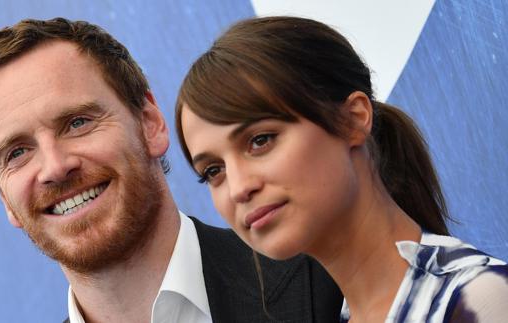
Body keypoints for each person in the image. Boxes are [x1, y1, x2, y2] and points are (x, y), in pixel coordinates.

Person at [0, 17, 342, 323]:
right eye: (17, 153)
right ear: (4, 200)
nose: (55, 168)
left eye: (77, 123)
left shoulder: (323, 280)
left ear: (150, 123)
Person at [175, 16, 508, 322]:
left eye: (261, 140)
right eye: (213, 171)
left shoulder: (479, 301)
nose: (238, 188)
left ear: (353, 119)